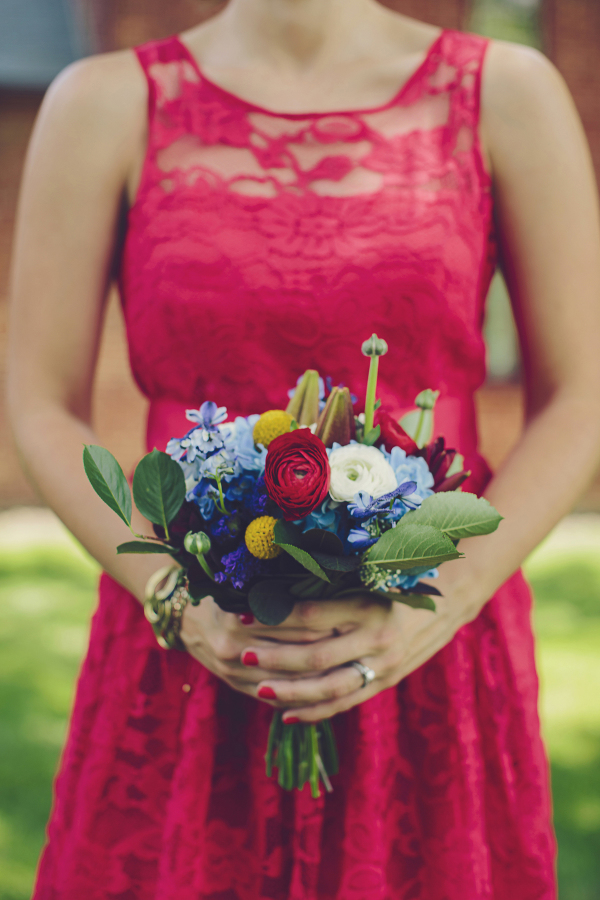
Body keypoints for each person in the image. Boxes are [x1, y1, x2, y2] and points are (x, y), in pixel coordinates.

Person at [7, 0, 600, 896]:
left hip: (430, 645)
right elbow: (41, 401)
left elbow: (582, 395)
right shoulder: (103, 103)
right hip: (189, 647)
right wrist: (175, 599)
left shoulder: (507, 93)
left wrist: (443, 604)